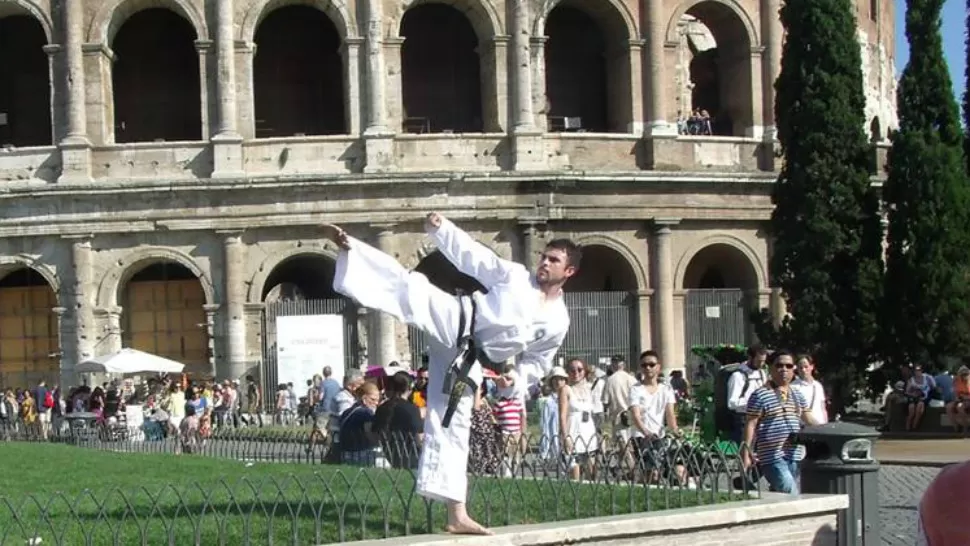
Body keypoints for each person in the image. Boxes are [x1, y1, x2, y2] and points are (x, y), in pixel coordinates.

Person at [322, 212, 579, 534]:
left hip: (469, 359)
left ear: (569, 271)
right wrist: (442, 228)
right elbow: (473, 256)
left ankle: (456, 514)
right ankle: (352, 249)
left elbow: (539, 360)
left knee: (452, 424)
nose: (544, 263)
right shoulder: (515, 276)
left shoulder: (559, 321)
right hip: (458, 319)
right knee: (411, 289)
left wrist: (516, 381)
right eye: (544, 256)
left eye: (553, 260)